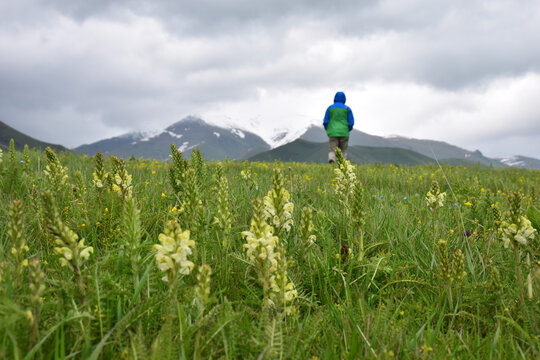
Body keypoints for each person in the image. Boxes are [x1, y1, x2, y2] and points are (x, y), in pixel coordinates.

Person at [323, 91, 355, 163]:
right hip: (344, 132)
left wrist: (328, 129)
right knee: (343, 150)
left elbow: (325, 121)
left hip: (333, 132)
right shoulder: (347, 109)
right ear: (344, 99)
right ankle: (343, 164)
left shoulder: (330, 108)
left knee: (332, 150)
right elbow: (351, 122)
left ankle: (331, 160)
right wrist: (347, 129)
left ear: (334, 98)